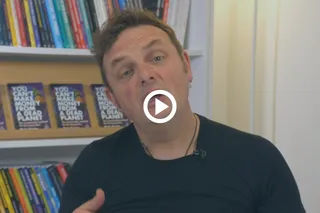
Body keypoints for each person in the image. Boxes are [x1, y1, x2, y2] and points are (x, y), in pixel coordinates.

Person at [58, 9, 306, 213]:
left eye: (156, 58)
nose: (145, 75)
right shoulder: (91, 168)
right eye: (126, 72)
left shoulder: (259, 159)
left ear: (186, 66)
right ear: (114, 100)